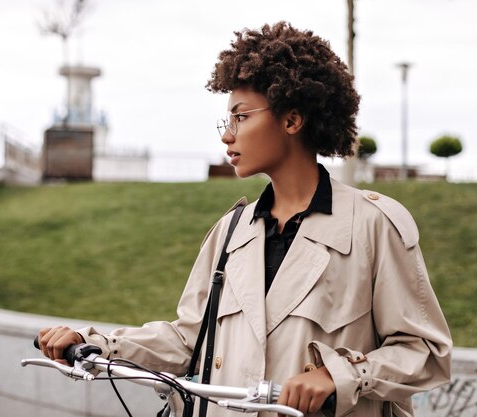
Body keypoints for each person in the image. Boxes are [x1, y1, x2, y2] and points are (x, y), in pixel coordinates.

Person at [38, 21, 452, 417]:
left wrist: (340, 376)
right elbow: (188, 341)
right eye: (228, 119)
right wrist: (97, 343)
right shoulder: (230, 231)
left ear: (291, 120)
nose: (226, 134)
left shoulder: (373, 225)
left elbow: (424, 352)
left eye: (241, 116)